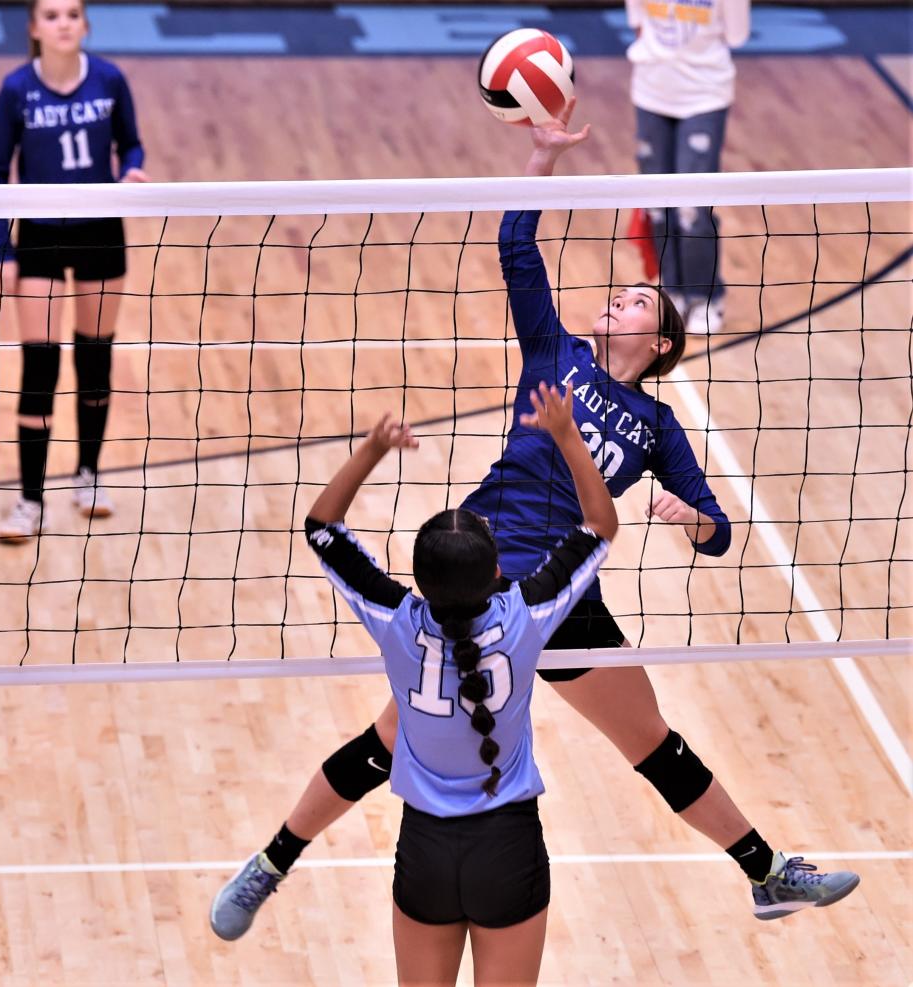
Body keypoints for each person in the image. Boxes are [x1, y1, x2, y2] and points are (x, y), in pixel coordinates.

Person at [210, 104, 858, 940]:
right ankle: (271, 862)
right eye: (619, 294)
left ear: (658, 341)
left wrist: (685, 516)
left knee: (652, 740)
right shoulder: (555, 352)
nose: (616, 299)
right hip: (473, 578)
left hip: (563, 592)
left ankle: (767, 873)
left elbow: (717, 532)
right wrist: (543, 157)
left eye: (632, 300)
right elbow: (516, 244)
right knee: (390, 736)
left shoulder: (655, 426)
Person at [270, 387, 616, 986]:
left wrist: (373, 449)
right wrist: (566, 434)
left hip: (425, 851)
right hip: (509, 848)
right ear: (499, 571)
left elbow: (322, 528)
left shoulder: (396, 621)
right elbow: (600, 524)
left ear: (419, 582)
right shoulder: (527, 616)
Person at [0, 0, 149, 542]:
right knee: (40, 368)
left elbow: (132, 144)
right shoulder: (15, 89)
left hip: (101, 231)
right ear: (34, 27)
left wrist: (130, 173)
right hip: (40, 238)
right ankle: (30, 499)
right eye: (51, 15)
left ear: (85, 24)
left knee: (95, 358)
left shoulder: (109, 79)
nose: (63, 23)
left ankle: (89, 476)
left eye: (72, 14)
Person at [626, 0, 751, 334]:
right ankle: (673, 291)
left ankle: (707, 296)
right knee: (657, 205)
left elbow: (736, 35)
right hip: (650, 95)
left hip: (704, 97)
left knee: (693, 208)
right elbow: (639, 24)